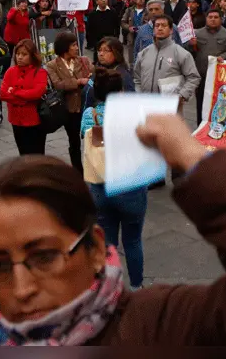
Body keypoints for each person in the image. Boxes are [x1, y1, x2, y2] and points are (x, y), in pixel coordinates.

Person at [0, 113, 226, 346]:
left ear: (93, 249)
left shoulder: (162, 327)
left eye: (43, 257)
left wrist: (193, 158)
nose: (22, 289)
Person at [80, 69, 148, 291]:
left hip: (100, 187)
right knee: (133, 241)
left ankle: (111, 289)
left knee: (107, 243)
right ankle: (137, 287)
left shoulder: (90, 114)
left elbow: (83, 135)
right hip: (130, 187)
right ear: (120, 91)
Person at [45, 32, 93, 174]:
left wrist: (89, 78)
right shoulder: (52, 65)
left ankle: (94, 167)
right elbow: (57, 84)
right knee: (74, 142)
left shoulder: (83, 60)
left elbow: (94, 76)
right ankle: (78, 171)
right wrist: (78, 82)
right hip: (68, 109)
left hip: (86, 107)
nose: (77, 48)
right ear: (65, 47)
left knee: (92, 140)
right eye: (73, 45)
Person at [133, 14, 200, 114]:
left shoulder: (181, 53)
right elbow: (137, 77)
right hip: (146, 107)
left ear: (171, 30)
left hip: (170, 109)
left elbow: (194, 77)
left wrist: (181, 96)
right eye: (157, 25)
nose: (160, 28)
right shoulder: (144, 53)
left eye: (164, 26)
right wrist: (139, 94)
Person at [0, 39, 49, 155]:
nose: (20, 57)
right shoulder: (10, 71)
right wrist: (25, 98)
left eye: (24, 54)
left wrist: (15, 91)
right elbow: (3, 94)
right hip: (16, 120)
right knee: (22, 153)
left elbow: (36, 93)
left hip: (34, 120)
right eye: (18, 54)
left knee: (37, 154)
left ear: (32, 56)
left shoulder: (40, 72)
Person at [188, 9, 226, 121]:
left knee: (220, 105)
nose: (213, 19)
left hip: (220, 79)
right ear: (206, 19)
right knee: (201, 105)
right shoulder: (197, 33)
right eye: (210, 17)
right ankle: (200, 130)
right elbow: (189, 53)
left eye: (216, 17)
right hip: (202, 76)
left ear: (221, 19)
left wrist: (224, 57)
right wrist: (191, 45)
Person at [83, 37, 134, 109]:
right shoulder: (98, 70)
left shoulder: (123, 77)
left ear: (116, 53)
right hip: (89, 116)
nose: (101, 54)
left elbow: (129, 104)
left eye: (106, 51)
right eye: (99, 50)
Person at [120, 0, 148, 64]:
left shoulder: (148, 11)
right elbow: (123, 22)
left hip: (144, 38)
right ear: (135, 0)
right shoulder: (129, 10)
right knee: (132, 60)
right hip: (132, 37)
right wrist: (129, 28)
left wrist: (140, 29)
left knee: (144, 59)